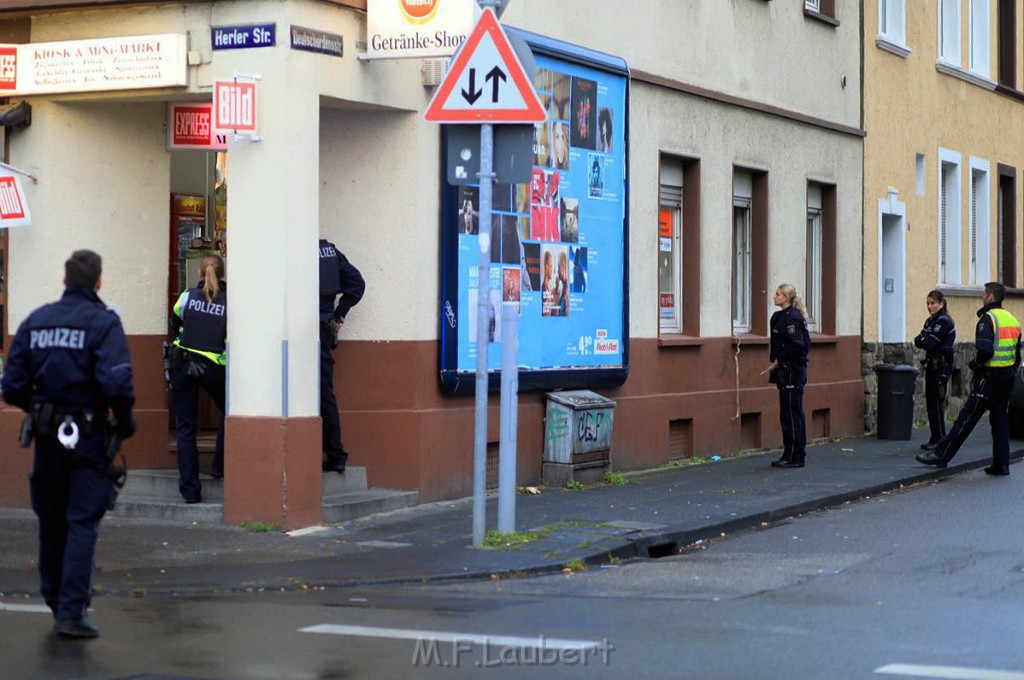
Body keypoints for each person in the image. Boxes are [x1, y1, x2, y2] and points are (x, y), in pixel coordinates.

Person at [1, 250, 136, 639]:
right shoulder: (103, 322)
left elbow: (11, 385)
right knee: (82, 521)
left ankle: (53, 596)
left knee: (52, 519)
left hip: (47, 438)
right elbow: (117, 383)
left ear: (64, 282)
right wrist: (124, 423)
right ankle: (71, 612)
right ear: (98, 282)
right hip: (88, 436)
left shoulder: (37, 321)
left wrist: (39, 409)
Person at [917, 282, 1021, 475]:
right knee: (999, 421)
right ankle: (1001, 463)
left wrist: (976, 364)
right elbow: (1017, 355)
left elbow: (985, 349)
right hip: (1007, 377)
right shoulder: (1012, 319)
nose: (982, 296)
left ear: (990, 297)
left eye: (983, 293)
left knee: (966, 418)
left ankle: (941, 454)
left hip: (989, 377)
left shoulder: (987, 319)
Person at [169, 254, 227, 504]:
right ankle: (219, 465)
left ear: (200, 273)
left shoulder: (186, 296)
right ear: (222, 274)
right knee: (231, 413)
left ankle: (190, 492)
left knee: (185, 429)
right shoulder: (231, 301)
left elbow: (176, 324)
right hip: (214, 367)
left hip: (183, 363)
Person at [319, 238, 366, 473]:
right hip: (323, 326)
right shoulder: (330, 252)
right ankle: (335, 454)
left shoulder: (293, 252)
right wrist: (339, 315)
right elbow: (357, 284)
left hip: (298, 331)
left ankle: (333, 454)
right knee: (325, 393)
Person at [768, 283, 810, 468]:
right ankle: (793, 454)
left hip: (792, 370)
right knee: (790, 413)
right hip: (785, 370)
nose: (774, 297)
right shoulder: (778, 317)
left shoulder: (792, 318)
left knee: (792, 415)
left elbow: (799, 346)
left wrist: (780, 358)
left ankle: (794, 456)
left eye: (777, 294)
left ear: (786, 297)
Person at [913, 290, 956, 450]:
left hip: (942, 365)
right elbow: (918, 340)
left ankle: (940, 439)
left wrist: (924, 340)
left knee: (936, 402)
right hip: (932, 364)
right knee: (931, 403)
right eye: (927, 303)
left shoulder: (944, 322)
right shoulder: (930, 321)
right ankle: (935, 436)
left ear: (941, 304)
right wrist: (924, 340)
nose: (929, 306)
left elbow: (929, 343)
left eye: (932, 303)